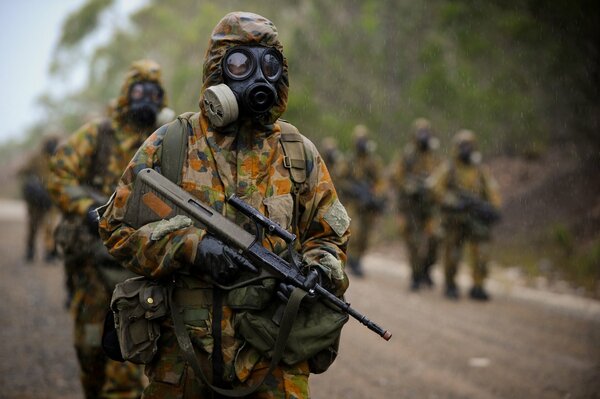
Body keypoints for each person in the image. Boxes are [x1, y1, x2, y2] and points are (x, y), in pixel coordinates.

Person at [99, 12, 350, 399]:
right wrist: (190, 247)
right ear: (217, 69)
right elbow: (116, 230)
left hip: (273, 358)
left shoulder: (298, 153)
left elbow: (330, 237)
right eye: (240, 63)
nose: (258, 77)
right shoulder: (170, 145)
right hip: (182, 361)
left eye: (269, 64)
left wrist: (318, 270)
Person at [48, 59, 172, 398]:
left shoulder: (165, 140)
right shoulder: (98, 134)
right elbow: (59, 173)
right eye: (139, 90)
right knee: (90, 352)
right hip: (92, 268)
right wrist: (87, 208)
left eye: (154, 92)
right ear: (125, 94)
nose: (146, 97)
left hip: (136, 267)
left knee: (127, 358)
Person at [429, 129, 502, 300]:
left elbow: (493, 192)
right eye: (463, 146)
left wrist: (490, 207)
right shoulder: (449, 168)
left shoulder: (480, 171)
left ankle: (478, 285)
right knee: (452, 254)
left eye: (469, 146)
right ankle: (450, 284)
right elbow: (434, 188)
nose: (466, 149)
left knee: (481, 253)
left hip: (475, 220)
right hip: (455, 219)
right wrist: (453, 201)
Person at [390, 118, 443, 290]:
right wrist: (409, 186)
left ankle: (426, 269)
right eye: (420, 132)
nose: (424, 136)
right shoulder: (407, 155)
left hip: (429, 208)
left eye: (426, 132)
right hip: (411, 208)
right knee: (413, 243)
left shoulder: (434, 156)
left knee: (436, 237)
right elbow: (395, 176)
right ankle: (415, 276)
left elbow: (442, 177)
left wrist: (432, 186)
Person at [337, 124, 385, 277]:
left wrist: (374, 195)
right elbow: (339, 179)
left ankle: (357, 259)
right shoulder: (348, 160)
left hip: (367, 205)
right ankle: (354, 260)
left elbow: (380, 181)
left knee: (366, 236)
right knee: (354, 232)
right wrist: (354, 190)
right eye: (359, 140)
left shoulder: (373, 161)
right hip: (353, 203)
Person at [18, 135, 61, 263]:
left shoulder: (59, 157)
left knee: (50, 227)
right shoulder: (36, 157)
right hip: (36, 199)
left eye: (54, 142)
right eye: (50, 142)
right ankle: (30, 250)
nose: (52, 144)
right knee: (33, 225)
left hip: (50, 198)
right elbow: (24, 170)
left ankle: (49, 252)